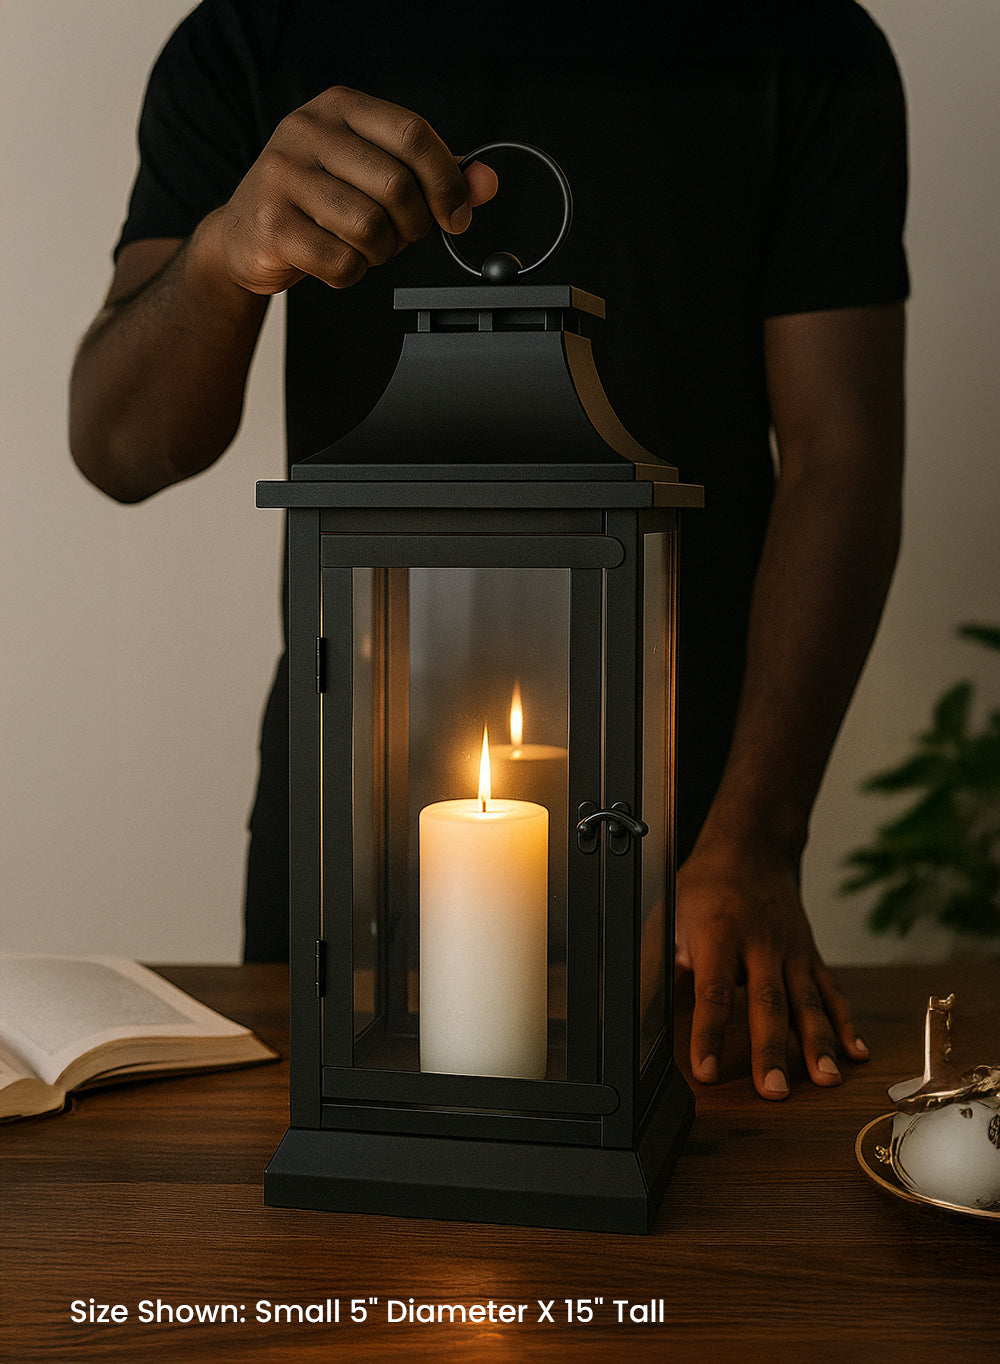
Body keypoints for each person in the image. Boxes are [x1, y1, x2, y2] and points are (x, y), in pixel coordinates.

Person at [69, 1, 908, 1102]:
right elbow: (121, 445)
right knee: (327, 1214)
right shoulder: (252, 37)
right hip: (346, 825)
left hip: (682, 835)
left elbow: (837, 457)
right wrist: (227, 251)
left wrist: (755, 833)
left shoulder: (800, 43)